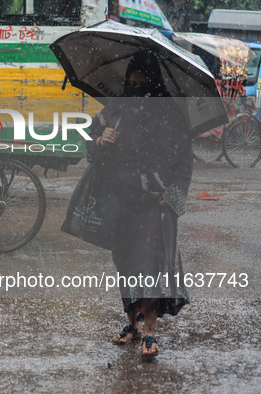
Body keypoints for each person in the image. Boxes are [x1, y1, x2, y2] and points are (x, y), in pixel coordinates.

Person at [85, 52, 192, 357]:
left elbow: (184, 164)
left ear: (154, 82)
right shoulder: (117, 109)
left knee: (152, 267)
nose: (136, 88)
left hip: (156, 204)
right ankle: (132, 324)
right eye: (131, 83)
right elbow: (90, 143)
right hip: (121, 201)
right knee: (127, 266)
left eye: (142, 84)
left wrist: (169, 197)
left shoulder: (171, 116)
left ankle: (150, 331)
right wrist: (100, 141)